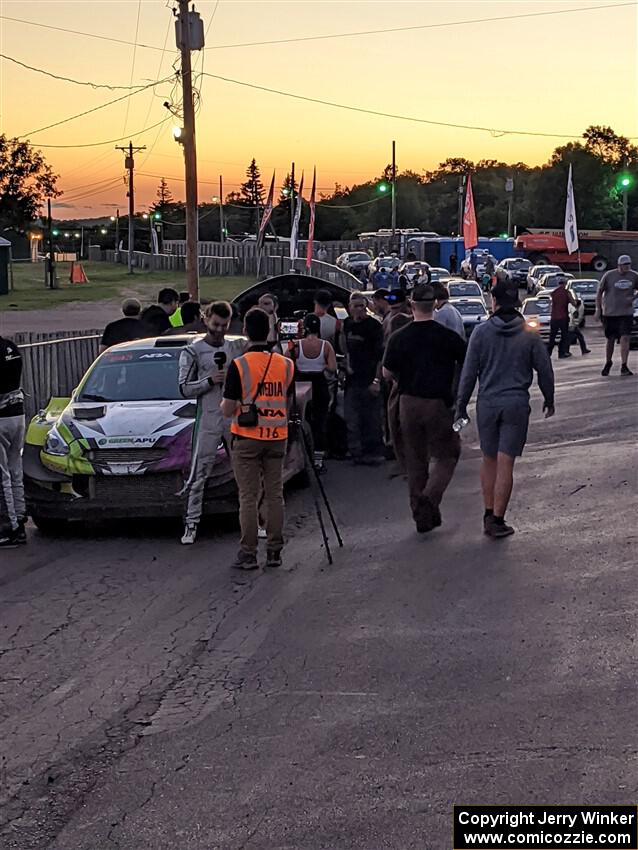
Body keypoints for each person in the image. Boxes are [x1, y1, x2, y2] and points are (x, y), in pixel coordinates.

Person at [456, 280, 555, 539]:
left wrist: (460, 407)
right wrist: (549, 397)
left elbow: (468, 374)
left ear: (494, 301)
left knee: (488, 459)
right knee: (506, 462)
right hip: (516, 404)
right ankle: (498, 520)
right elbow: (544, 369)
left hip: (487, 404)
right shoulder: (529, 332)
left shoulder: (480, 332)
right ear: (518, 303)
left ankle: (488, 513)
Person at [383, 284, 467, 532]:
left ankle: (421, 516)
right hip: (438, 404)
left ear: (411, 305)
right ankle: (429, 499)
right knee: (448, 454)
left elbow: (386, 372)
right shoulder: (447, 337)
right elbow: (468, 363)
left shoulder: (399, 337)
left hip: (407, 403)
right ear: (435, 306)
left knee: (415, 459)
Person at [221, 307, 295, 570]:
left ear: (245, 332)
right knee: (275, 494)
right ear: (271, 331)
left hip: (247, 437)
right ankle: (274, 551)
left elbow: (228, 408)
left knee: (248, 497)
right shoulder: (285, 364)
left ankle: (248, 553)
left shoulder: (239, 366)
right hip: (277, 436)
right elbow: (288, 401)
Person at [178, 302, 246, 545]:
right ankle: (191, 523)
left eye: (224, 325)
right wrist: (208, 381)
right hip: (208, 417)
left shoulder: (236, 345)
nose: (219, 330)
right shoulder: (193, 351)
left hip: (234, 416)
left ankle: (253, 521)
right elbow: (184, 388)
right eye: (216, 324)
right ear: (206, 319)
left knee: (244, 472)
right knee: (199, 472)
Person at [287, 314, 337, 471]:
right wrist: (320, 365)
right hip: (319, 385)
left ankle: (300, 455)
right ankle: (318, 460)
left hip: (301, 385)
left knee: (299, 421)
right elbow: (332, 368)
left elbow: (285, 363)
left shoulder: (296, 345)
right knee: (319, 422)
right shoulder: (326, 345)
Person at [342, 292, 384, 465]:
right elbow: (343, 345)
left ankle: (373, 452)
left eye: (362, 306)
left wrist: (376, 380)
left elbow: (380, 356)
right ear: (350, 308)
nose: (359, 309)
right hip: (352, 381)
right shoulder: (347, 324)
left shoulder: (374, 326)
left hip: (369, 379)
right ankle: (356, 453)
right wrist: (345, 364)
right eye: (355, 306)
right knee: (352, 418)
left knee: (372, 419)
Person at [0, 335, 26, 548]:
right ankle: (20, 515)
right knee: (15, 469)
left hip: (0, 418)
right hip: (17, 415)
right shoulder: (10, 347)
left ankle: (9, 528)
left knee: (2, 477)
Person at [596, 254, 638, 376]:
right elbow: (599, 292)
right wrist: (598, 309)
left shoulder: (634, 276)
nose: (627, 267)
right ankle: (608, 362)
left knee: (625, 337)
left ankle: (624, 365)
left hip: (626, 312)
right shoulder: (609, 276)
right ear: (619, 265)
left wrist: (633, 297)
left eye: (629, 264)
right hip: (610, 313)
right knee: (611, 339)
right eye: (625, 265)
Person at [548, 275, 577, 359]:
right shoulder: (567, 292)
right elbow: (573, 303)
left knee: (552, 336)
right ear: (565, 283)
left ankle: (548, 353)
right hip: (563, 317)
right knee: (564, 336)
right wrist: (576, 302)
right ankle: (561, 353)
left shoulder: (553, 293)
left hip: (554, 317)